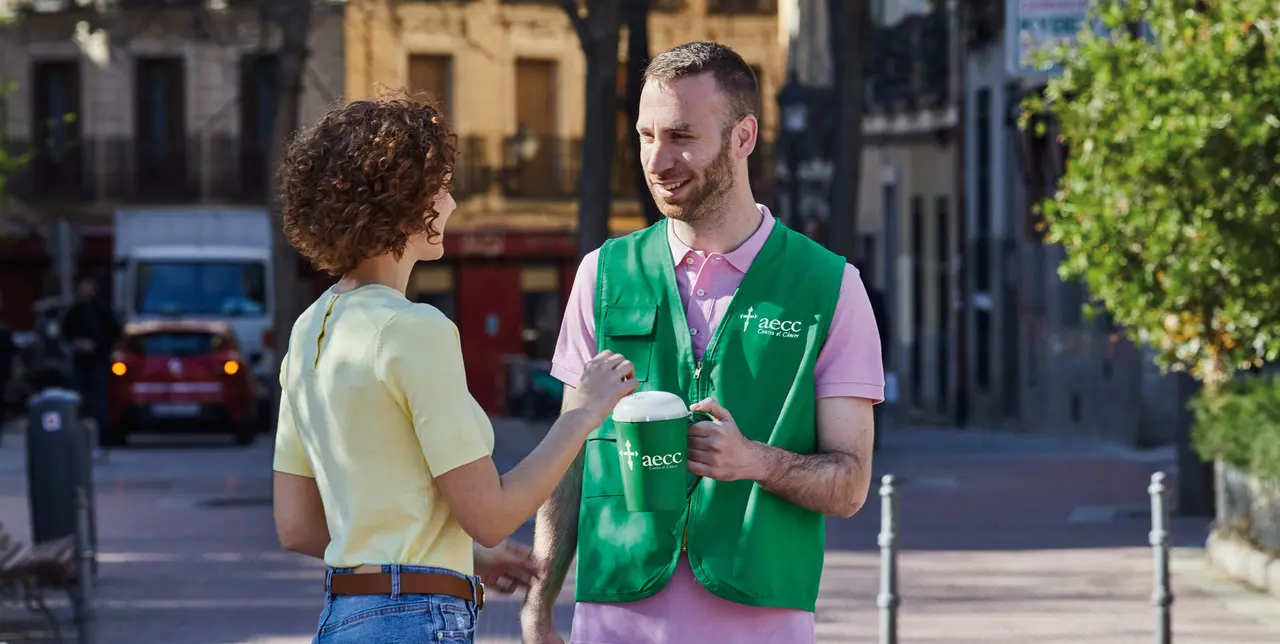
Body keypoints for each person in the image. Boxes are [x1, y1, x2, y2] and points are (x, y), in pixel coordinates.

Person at [520, 41, 884, 644]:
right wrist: (539, 608)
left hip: (760, 620)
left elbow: (849, 485)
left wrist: (755, 461)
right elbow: (570, 457)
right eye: (645, 135)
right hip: (614, 617)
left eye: (682, 136)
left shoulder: (828, 286)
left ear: (744, 137)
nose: (658, 159)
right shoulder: (602, 274)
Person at [269, 94, 639, 643]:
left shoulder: (310, 329)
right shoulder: (414, 329)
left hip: (345, 618)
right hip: (415, 621)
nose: (450, 204)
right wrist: (580, 415)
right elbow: (491, 514)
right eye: (440, 187)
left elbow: (297, 524)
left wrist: (450, 554)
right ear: (401, 200)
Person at [60, 275, 121, 442]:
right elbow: (65, 332)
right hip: (80, 361)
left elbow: (114, 333)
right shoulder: (74, 311)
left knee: (98, 399)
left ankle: (101, 435)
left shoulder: (102, 310)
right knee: (77, 397)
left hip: (98, 361)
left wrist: (96, 345)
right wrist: (76, 344)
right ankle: (77, 432)